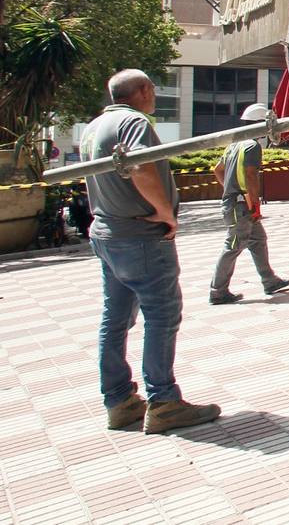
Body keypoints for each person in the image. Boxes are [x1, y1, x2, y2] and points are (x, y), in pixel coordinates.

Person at [80, 69, 221, 434]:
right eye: (153, 89)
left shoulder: (94, 127)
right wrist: (163, 213)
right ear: (142, 91)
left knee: (115, 319)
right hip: (140, 236)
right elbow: (140, 167)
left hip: (108, 234)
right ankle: (164, 402)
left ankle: (119, 400)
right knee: (162, 315)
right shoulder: (134, 123)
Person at [208, 103, 289, 304]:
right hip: (242, 206)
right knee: (233, 246)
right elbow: (250, 174)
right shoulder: (252, 146)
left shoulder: (234, 145)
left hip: (236, 203)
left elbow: (217, 170)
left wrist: (231, 189)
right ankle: (217, 291)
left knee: (258, 240)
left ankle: (269, 280)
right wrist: (254, 204)